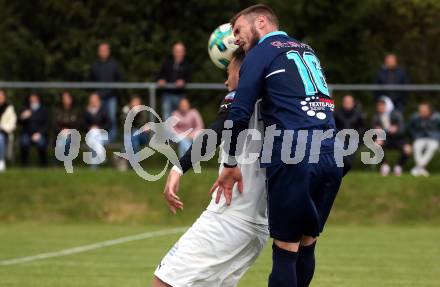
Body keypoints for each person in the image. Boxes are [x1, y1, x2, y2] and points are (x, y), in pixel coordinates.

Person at [212, 5, 343, 287]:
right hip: (332, 151)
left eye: (238, 30)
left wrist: (231, 163)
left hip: (294, 153)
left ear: (260, 21)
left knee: (286, 250)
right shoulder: (306, 49)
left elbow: (239, 111)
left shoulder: (260, 53)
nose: (235, 39)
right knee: (307, 243)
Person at [153, 50, 269, 287]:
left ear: (242, 71)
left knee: (163, 281)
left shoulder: (240, 97)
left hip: (229, 216)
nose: (227, 81)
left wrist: (178, 167)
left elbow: (215, 133)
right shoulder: (279, 101)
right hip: (260, 225)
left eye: (229, 72)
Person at [90, 42, 123, 141]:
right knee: (97, 120)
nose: (103, 52)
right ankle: (99, 140)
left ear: (109, 52)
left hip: (111, 97)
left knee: (111, 119)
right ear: (98, 52)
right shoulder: (94, 66)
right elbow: (91, 81)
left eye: (105, 50)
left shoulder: (114, 65)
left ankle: (111, 141)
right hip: (98, 98)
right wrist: (95, 95)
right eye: (101, 50)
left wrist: (113, 91)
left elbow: (119, 80)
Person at [372, 96, 411, 176]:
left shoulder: (396, 114)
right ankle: (385, 165)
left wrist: (396, 130)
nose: (380, 108)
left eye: (382, 106)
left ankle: (399, 166)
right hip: (386, 139)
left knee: (408, 149)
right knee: (376, 144)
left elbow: (403, 129)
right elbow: (374, 130)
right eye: (379, 106)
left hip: (398, 139)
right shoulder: (376, 117)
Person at [156, 42, 192, 120]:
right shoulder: (167, 63)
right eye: (177, 51)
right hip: (167, 95)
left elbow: (190, 79)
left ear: (184, 52)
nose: (179, 53)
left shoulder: (187, 65)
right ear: (173, 52)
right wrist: (161, 80)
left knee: (181, 119)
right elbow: (159, 76)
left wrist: (184, 82)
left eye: (181, 51)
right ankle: (168, 132)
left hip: (181, 96)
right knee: (167, 118)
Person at [117, 95, 149, 171]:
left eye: (137, 103)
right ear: (130, 103)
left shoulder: (143, 111)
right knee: (131, 137)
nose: (135, 105)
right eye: (134, 103)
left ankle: (123, 156)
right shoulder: (126, 110)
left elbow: (142, 125)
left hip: (143, 136)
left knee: (134, 133)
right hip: (130, 135)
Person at [408, 102, 440, 176]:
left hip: (434, 138)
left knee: (433, 147)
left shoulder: (437, 117)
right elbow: (409, 128)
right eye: (420, 110)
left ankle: (418, 168)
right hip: (420, 137)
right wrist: (414, 136)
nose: (422, 112)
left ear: (429, 110)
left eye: (424, 110)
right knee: (417, 146)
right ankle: (421, 168)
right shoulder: (415, 117)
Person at [19, 92, 50, 167]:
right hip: (27, 134)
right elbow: (19, 123)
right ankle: (24, 164)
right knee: (24, 142)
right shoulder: (25, 109)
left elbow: (47, 125)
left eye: (35, 98)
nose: (33, 100)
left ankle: (43, 164)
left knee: (41, 143)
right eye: (31, 98)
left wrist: (39, 133)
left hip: (40, 134)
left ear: (38, 99)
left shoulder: (44, 110)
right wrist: (23, 117)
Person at [82, 93, 111, 168]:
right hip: (90, 135)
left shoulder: (104, 110)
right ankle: (101, 155)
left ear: (98, 101)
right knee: (94, 137)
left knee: (95, 142)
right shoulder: (86, 111)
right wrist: (90, 128)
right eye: (92, 100)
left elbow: (109, 124)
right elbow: (82, 125)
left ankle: (93, 168)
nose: (93, 102)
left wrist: (99, 128)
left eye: (95, 100)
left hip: (103, 135)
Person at [54, 91, 78, 158]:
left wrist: (70, 131)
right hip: (58, 133)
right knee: (62, 138)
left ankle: (64, 157)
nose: (66, 100)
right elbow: (54, 125)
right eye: (64, 98)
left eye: (67, 98)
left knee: (67, 138)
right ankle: (63, 158)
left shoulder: (76, 110)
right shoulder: (57, 110)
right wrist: (61, 130)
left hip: (73, 134)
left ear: (71, 99)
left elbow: (78, 124)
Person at [0, 90, 17, 171]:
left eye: (1, 96)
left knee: (0, 138)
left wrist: (2, 127)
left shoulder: (9, 108)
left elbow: (12, 124)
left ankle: (1, 161)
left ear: (4, 97)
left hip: (5, 133)